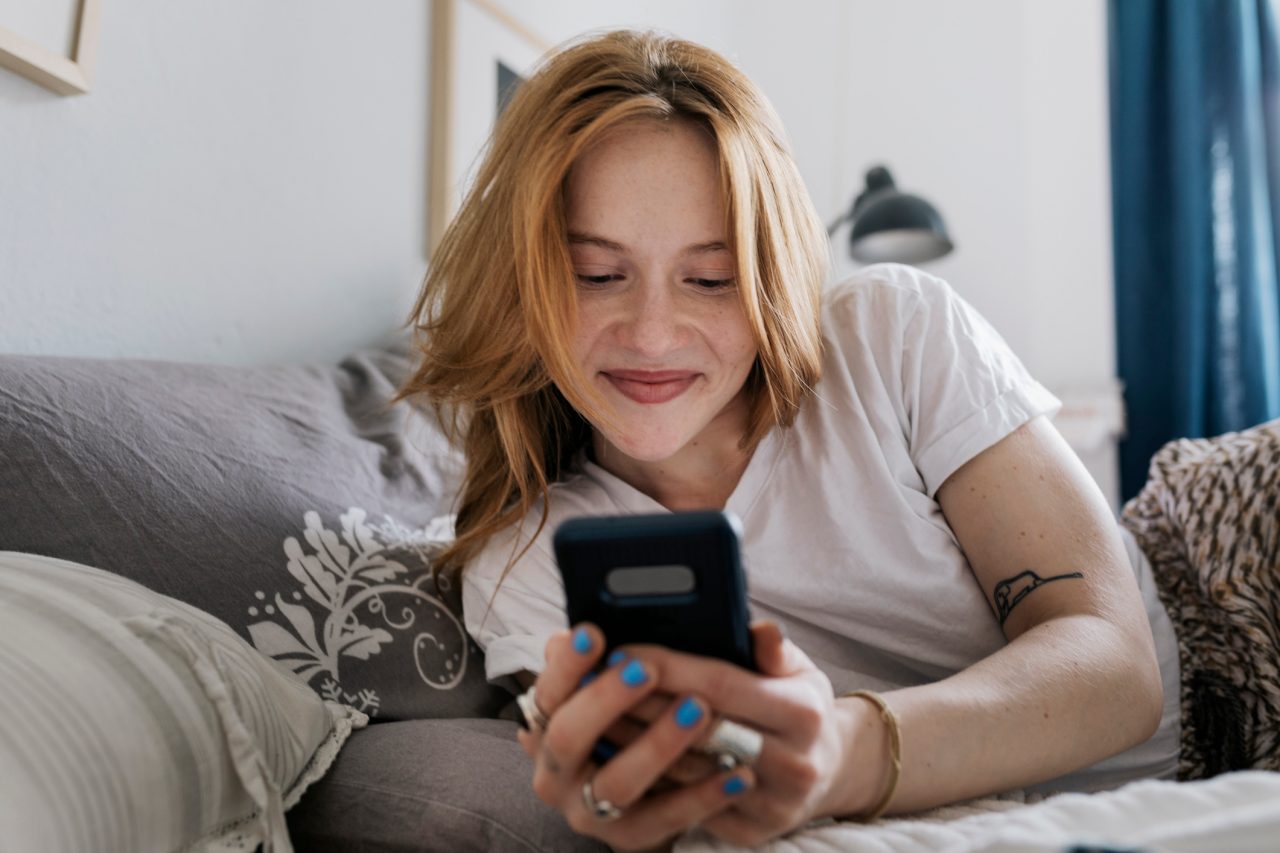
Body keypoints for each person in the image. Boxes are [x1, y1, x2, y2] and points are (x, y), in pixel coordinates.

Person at [397, 29, 1184, 851]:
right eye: (596, 275)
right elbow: (666, 781)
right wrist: (627, 787)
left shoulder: (893, 334)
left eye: (711, 278)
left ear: (770, 273)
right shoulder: (526, 557)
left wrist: (845, 748)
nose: (654, 334)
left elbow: (1121, 671)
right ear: (521, 282)